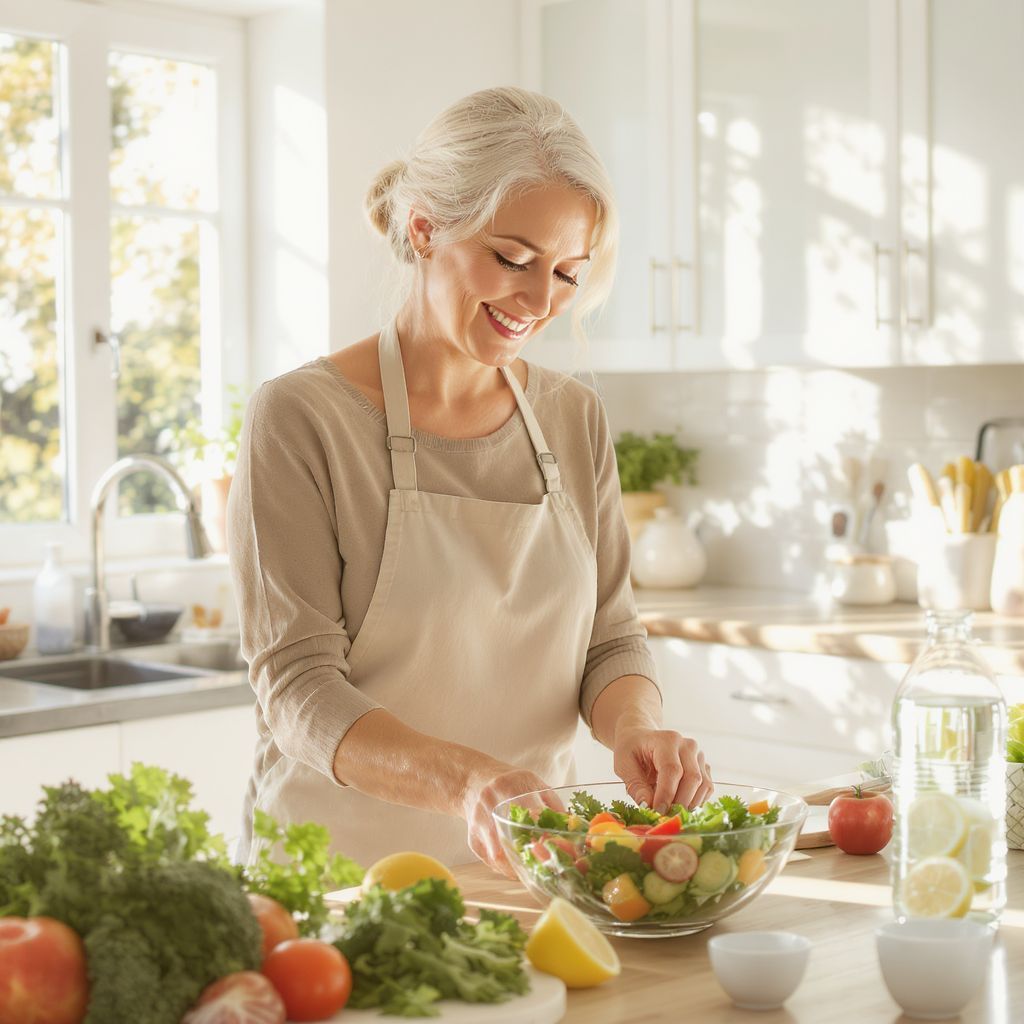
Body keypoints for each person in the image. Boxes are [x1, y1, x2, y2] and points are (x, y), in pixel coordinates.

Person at [228, 86, 711, 876]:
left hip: (532, 866)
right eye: (513, 260)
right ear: (424, 228)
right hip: (336, 882)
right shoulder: (301, 417)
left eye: (567, 273)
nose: (539, 301)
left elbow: (611, 639)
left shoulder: (571, 417)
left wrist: (634, 727)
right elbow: (298, 690)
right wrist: (468, 784)